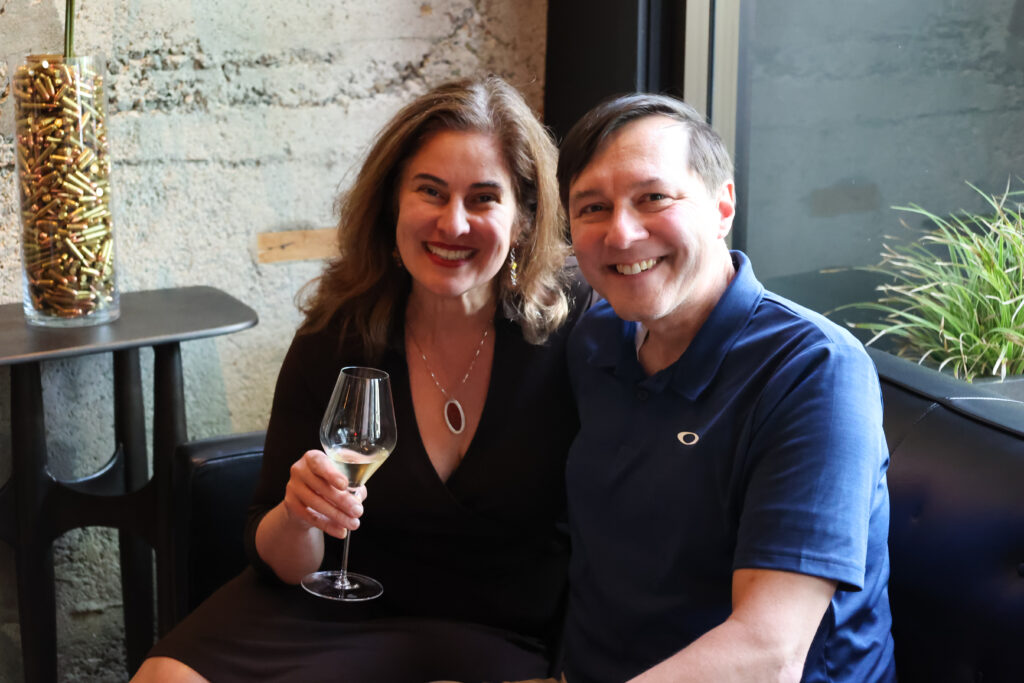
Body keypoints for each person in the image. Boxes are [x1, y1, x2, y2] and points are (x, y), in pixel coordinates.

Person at [133, 75, 588, 683]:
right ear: (393, 202)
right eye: (430, 191)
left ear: (525, 219)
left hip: (491, 628)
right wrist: (298, 515)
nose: (452, 224)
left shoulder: (574, 327)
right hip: (327, 608)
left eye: (483, 198)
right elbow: (282, 559)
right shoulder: (337, 333)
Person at [555, 93, 896, 682]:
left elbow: (769, 654)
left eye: (653, 197)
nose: (622, 233)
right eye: (593, 208)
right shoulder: (594, 338)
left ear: (722, 207)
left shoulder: (816, 369)